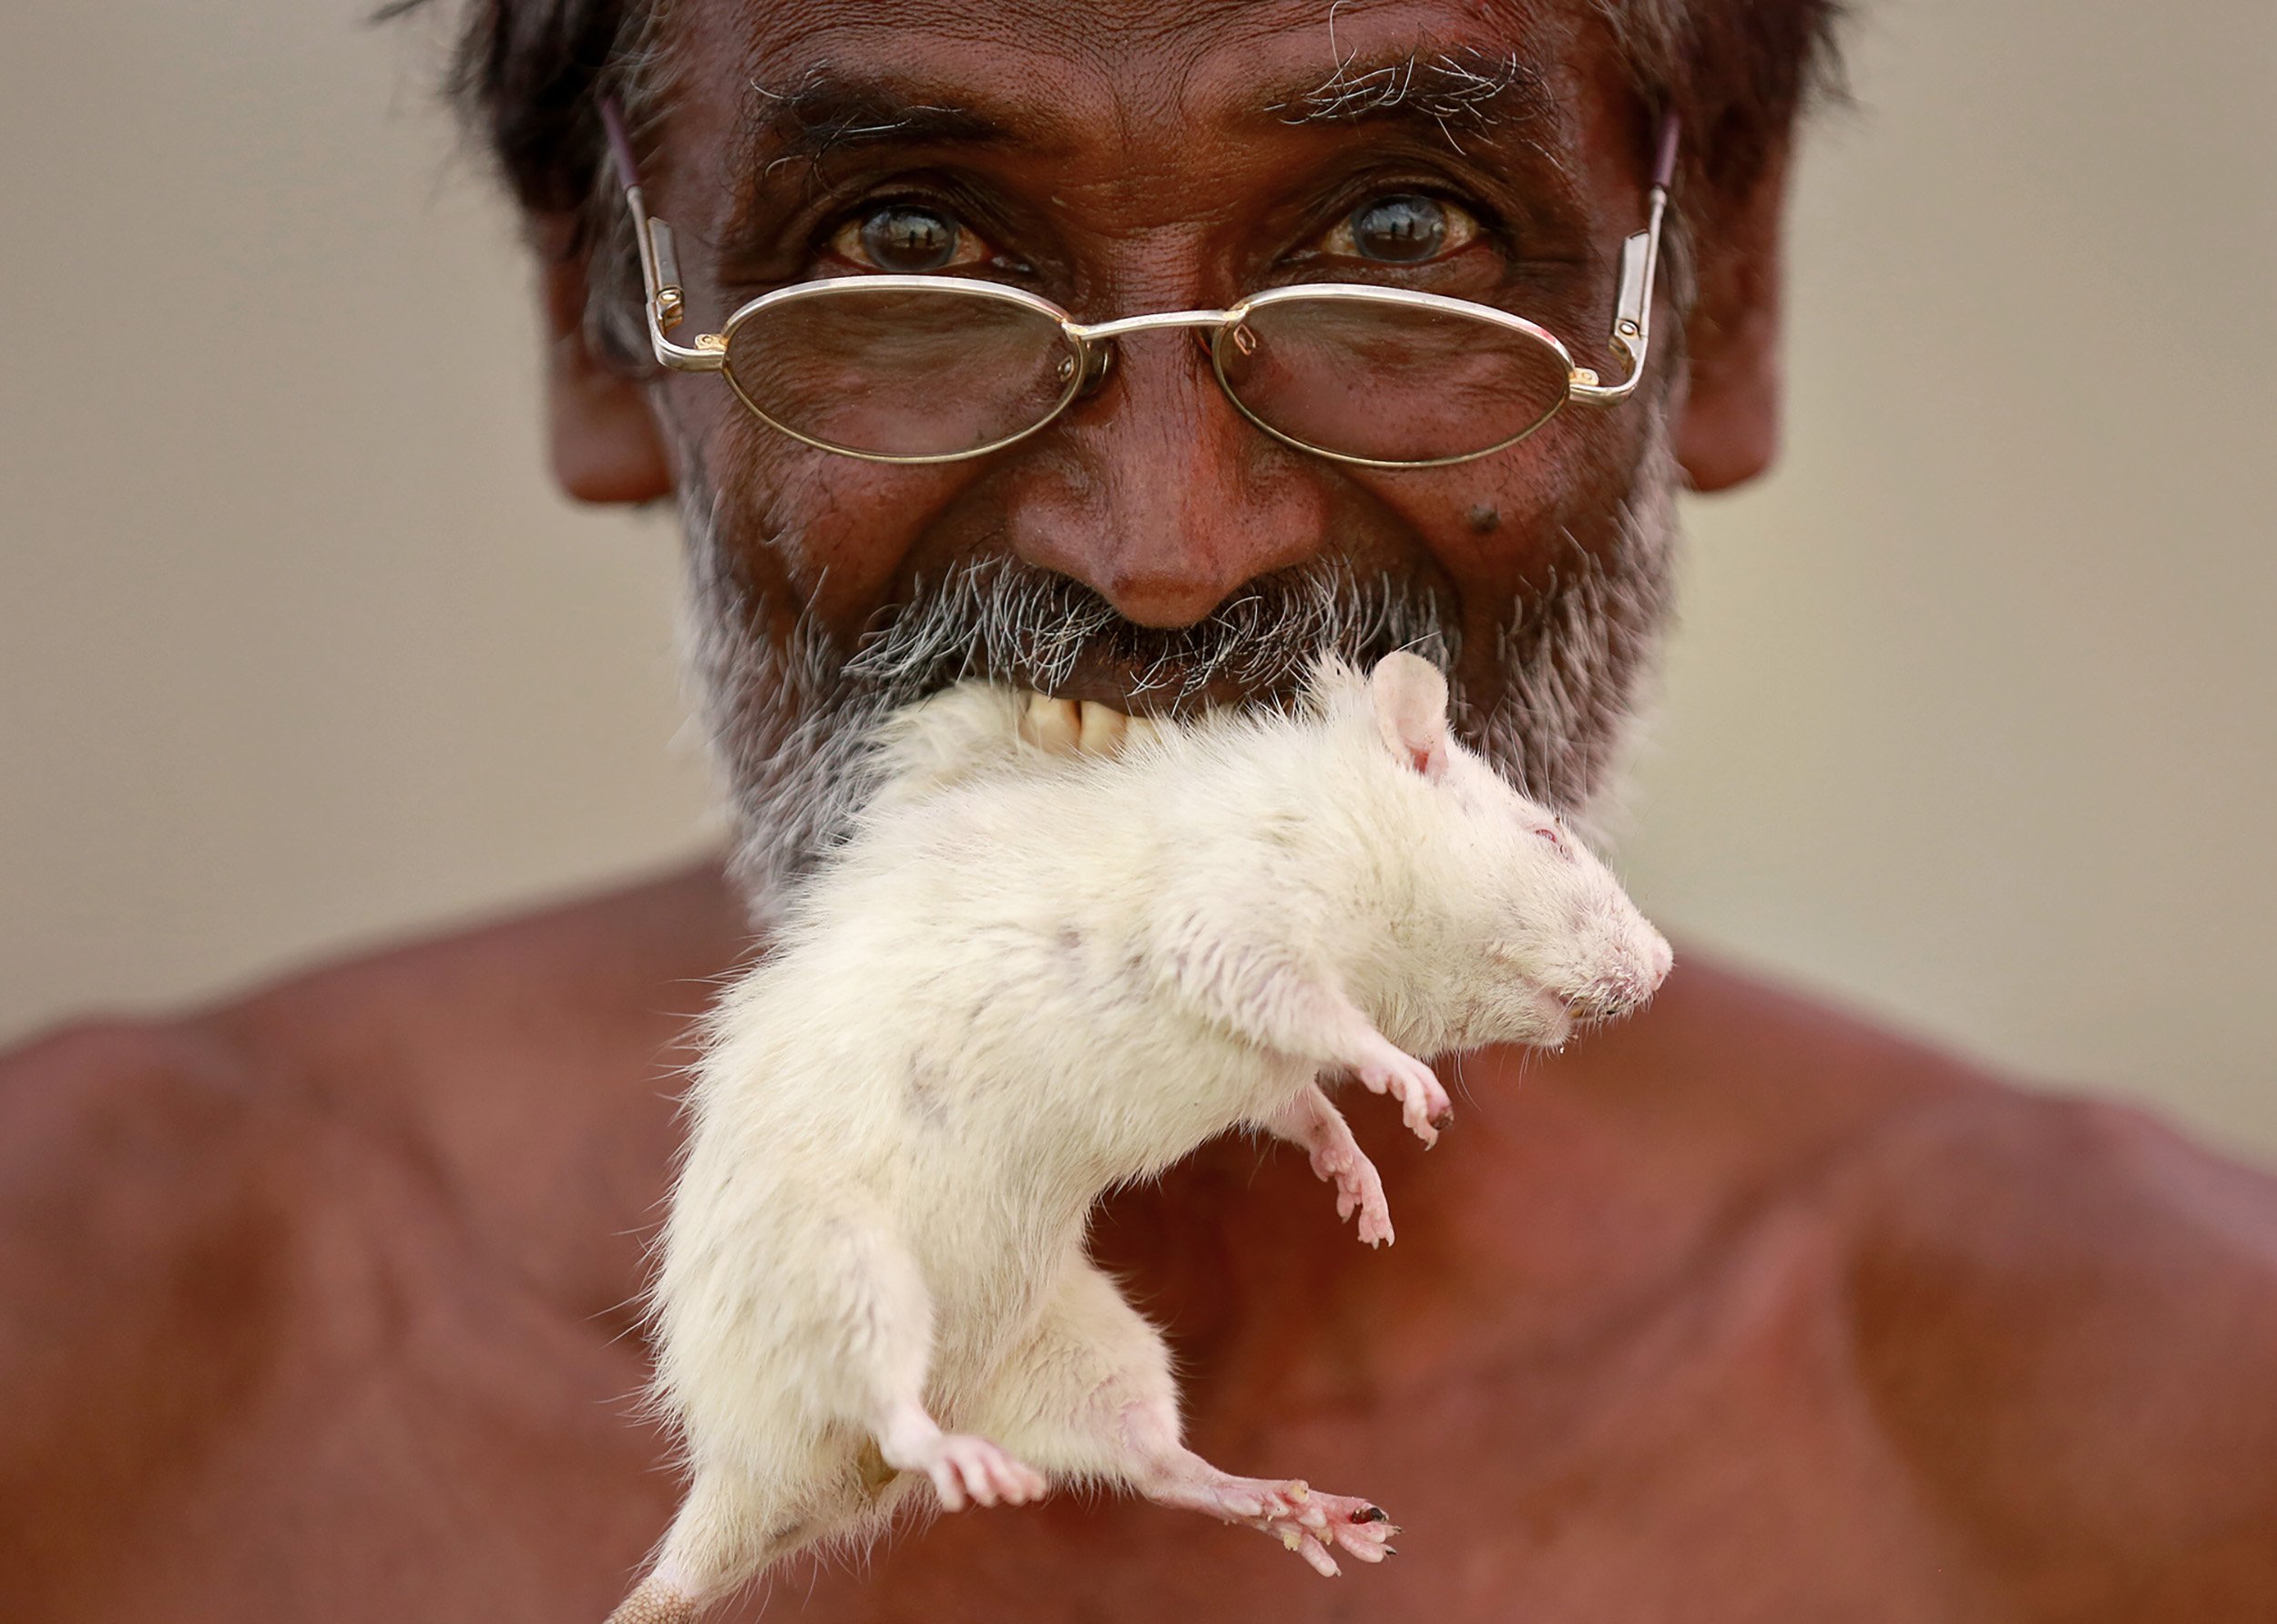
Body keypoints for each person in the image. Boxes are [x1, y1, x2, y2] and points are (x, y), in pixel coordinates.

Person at [4, 1, 2272, 1619]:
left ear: (1726, 300)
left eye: (1401, 227)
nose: (1164, 547)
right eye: (906, 239)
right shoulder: (94, 1369)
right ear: (600, 323)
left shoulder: (2147, 1439)